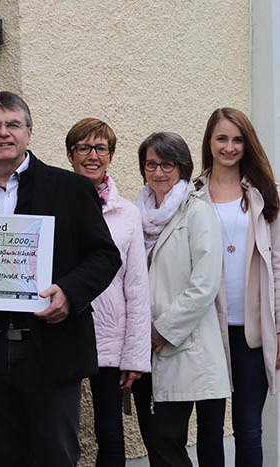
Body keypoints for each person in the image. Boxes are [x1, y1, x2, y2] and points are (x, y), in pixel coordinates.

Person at [0, 92, 121, 466]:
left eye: (13, 125)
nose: (3, 133)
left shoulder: (71, 189)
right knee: (4, 456)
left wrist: (70, 293)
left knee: (55, 456)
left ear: (29, 132)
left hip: (52, 350)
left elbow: (106, 256)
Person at [131, 132, 230, 467]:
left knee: (167, 440)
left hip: (182, 346)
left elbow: (204, 284)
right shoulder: (137, 214)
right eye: (151, 164)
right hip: (142, 347)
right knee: (156, 443)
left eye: (167, 164)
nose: (158, 172)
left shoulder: (196, 212)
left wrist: (162, 330)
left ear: (182, 167)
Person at [194, 107, 280, 466]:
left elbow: (277, 263)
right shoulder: (192, 194)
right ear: (209, 143)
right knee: (209, 428)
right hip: (207, 330)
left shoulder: (264, 194)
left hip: (253, 330)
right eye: (222, 138)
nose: (229, 147)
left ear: (247, 144)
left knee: (248, 429)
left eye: (237, 139)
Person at [65, 118, 151, 466]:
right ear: (70, 155)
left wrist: (134, 356)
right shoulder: (53, 202)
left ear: (111, 155)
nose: (92, 155)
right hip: (61, 329)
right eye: (83, 148)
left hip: (110, 337)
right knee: (61, 428)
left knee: (110, 433)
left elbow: (137, 287)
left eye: (101, 148)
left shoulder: (128, 214)